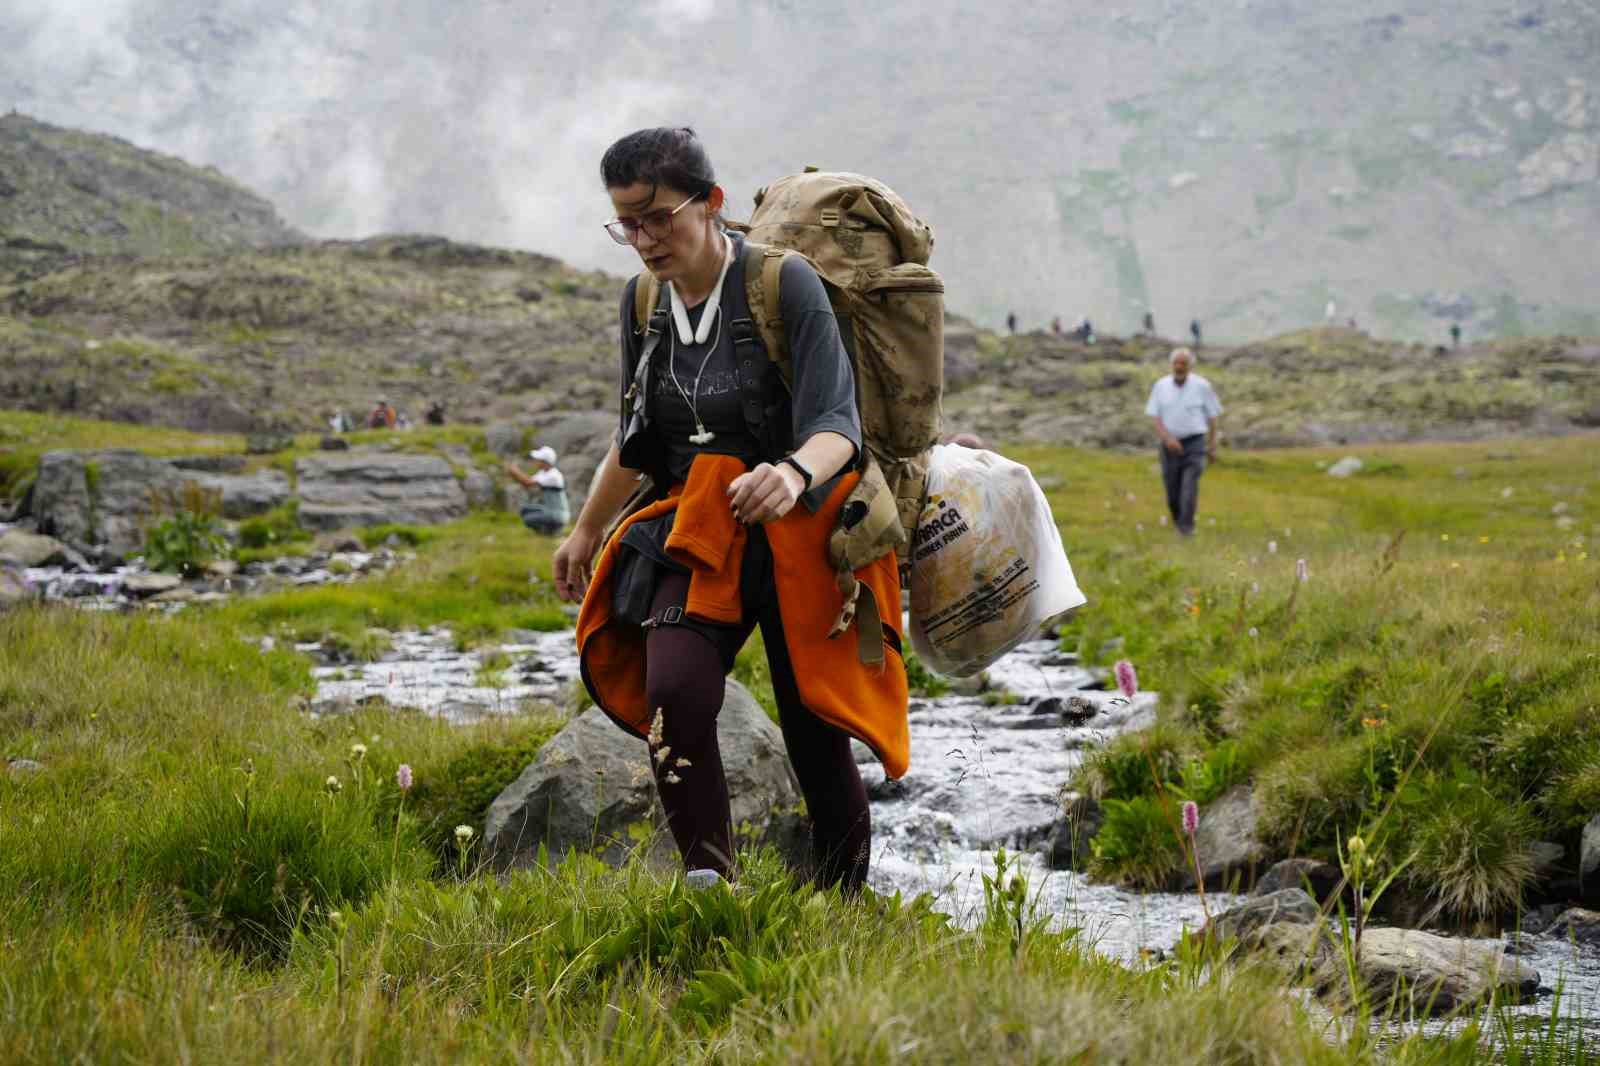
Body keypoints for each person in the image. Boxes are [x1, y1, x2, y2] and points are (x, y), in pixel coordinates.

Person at [551, 127, 907, 893]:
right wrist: (585, 529)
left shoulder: (786, 286)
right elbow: (637, 437)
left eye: (657, 218)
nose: (643, 241)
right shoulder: (642, 301)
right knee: (673, 695)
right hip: (703, 528)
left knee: (815, 730)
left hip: (802, 531)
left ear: (709, 203)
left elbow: (837, 425)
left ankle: (843, 902)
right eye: (627, 224)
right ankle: (713, 892)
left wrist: (789, 473)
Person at [1145, 347, 1222, 536]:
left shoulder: (1202, 386)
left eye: (1184, 363)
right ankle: (1178, 521)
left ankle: (1186, 529)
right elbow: (1155, 417)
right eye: (1176, 363)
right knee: (1172, 491)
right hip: (1169, 445)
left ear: (1190, 366)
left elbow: (1213, 417)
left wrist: (1212, 446)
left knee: (1189, 486)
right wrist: (1168, 438)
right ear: (1171, 365)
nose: (1179, 367)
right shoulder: (1160, 386)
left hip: (1194, 443)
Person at [507, 445, 571, 534]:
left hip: (558, 515)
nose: (535, 462)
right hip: (550, 511)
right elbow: (526, 484)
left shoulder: (554, 475)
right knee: (525, 510)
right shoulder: (543, 473)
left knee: (528, 519)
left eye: (538, 460)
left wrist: (515, 470)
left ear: (545, 462)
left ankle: (551, 532)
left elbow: (528, 482)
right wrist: (514, 474)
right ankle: (549, 530)